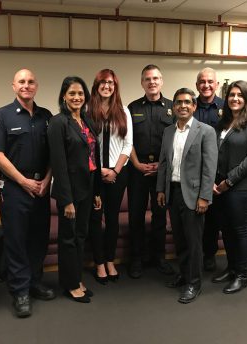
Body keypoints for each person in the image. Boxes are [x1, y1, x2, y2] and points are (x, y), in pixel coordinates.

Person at [0, 69, 55, 318]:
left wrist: (47, 179)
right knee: (16, 241)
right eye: (22, 82)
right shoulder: (1, 116)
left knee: (38, 239)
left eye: (31, 81)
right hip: (15, 188)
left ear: (36, 86)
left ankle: (34, 282)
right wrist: (23, 181)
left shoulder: (46, 116)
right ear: (13, 86)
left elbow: (54, 154)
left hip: (42, 188)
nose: (26, 85)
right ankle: (20, 291)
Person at [157, 88, 217, 303]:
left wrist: (205, 196)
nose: (182, 106)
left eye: (187, 102)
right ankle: (184, 275)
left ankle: (194, 283)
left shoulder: (206, 131)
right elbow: (164, 163)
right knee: (180, 240)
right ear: (173, 107)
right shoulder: (168, 132)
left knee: (193, 242)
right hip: (172, 192)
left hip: (193, 195)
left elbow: (210, 168)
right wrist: (160, 189)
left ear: (194, 106)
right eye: (178, 102)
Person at [211, 80, 247, 294]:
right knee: (226, 228)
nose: (235, 98)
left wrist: (229, 181)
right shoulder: (223, 122)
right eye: (231, 95)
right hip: (221, 186)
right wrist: (215, 181)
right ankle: (232, 268)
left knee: (241, 228)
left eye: (240, 95)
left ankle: (242, 275)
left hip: (242, 187)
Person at [48, 76, 102, 303]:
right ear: (63, 96)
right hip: (70, 190)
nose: (77, 97)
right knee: (69, 238)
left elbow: (94, 157)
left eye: (80, 94)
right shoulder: (58, 122)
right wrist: (66, 200)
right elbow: (59, 164)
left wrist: (97, 191)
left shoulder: (87, 120)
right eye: (72, 93)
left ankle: (75, 278)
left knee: (81, 236)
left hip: (88, 186)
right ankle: (70, 284)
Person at [127, 64, 175, 279]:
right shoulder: (132, 107)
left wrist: (163, 166)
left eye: (155, 78)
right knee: (136, 216)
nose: (152, 82)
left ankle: (160, 257)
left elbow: (177, 140)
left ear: (161, 81)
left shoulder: (173, 108)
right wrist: (137, 164)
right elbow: (126, 140)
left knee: (159, 216)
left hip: (162, 172)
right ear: (142, 83)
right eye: (147, 79)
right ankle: (136, 259)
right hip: (137, 170)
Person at [87, 69, 133, 284]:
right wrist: (99, 171)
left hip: (117, 174)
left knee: (113, 219)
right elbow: (85, 145)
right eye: (103, 82)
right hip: (94, 174)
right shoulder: (87, 111)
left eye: (111, 83)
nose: (107, 86)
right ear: (96, 86)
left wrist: (115, 170)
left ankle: (110, 260)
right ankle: (98, 262)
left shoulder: (123, 111)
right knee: (95, 219)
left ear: (115, 87)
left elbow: (128, 144)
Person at [194, 67, 224, 272]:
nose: (206, 85)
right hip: (192, 172)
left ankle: (209, 255)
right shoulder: (189, 105)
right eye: (202, 82)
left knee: (213, 218)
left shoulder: (227, 107)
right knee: (193, 217)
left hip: (218, 171)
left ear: (217, 84)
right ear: (197, 85)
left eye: (210, 81)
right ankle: (192, 255)